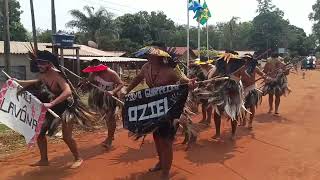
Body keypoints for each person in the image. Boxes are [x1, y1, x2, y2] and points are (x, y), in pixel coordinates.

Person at [123, 46, 193, 179]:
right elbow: (137, 79)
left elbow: (184, 81)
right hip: (153, 109)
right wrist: (126, 91)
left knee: (166, 141)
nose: (148, 56)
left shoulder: (171, 70)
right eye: (148, 54)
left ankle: (165, 173)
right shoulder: (145, 67)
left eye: (151, 55)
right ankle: (161, 163)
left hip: (170, 110)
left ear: (160, 56)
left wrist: (190, 83)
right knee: (157, 138)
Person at [15, 50, 88, 168]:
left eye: (43, 63)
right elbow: (38, 82)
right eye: (38, 63)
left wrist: (51, 103)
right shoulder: (43, 74)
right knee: (40, 134)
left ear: (50, 63)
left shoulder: (57, 74)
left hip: (67, 107)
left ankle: (78, 158)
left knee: (66, 136)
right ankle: (44, 160)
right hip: (54, 106)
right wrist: (20, 82)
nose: (40, 65)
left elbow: (68, 91)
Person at [82, 59, 124, 149]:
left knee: (110, 118)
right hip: (100, 97)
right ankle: (110, 135)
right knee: (106, 118)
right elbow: (88, 85)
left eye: (97, 69)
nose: (96, 72)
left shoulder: (111, 73)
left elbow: (121, 84)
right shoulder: (93, 73)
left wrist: (113, 91)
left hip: (110, 98)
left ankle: (109, 139)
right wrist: (85, 83)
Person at [233, 54, 266, 129]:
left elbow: (262, 74)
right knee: (242, 105)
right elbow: (236, 78)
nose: (246, 60)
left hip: (252, 88)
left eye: (247, 59)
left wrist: (265, 76)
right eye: (244, 59)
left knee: (252, 106)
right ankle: (243, 120)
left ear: (250, 60)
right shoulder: (241, 68)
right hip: (243, 89)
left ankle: (250, 122)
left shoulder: (255, 68)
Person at [194, 57, 216, 125]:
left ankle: (208, 119)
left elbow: (215, 79)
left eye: (202, 64)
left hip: (211, 88)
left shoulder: (213, 69)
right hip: (202, 88)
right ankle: (204, 118)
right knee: (203, 104)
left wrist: (209, 85)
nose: (201, 65)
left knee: (209, 104)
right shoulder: (201, 69)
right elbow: (198, 78)